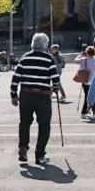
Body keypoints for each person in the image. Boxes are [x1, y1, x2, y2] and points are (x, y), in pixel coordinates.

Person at [10, 32, 60, 165]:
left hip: (26, 95)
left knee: (25, 123)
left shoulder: (25, 58)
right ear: (45, 45)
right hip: (43, 96)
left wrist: (13, 95)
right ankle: (40, 154)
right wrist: (55, 88)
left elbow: (15, 78)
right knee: (44, 126)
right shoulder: (48, 59)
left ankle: (23, 147)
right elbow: (55, 79)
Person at [74, 44, 95, 116]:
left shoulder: (84, 60)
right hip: (94, 81)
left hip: (85, 81)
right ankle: (93, 110)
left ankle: (84, 111)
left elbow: (75, 60)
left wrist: (80, 55)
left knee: (87, 96)